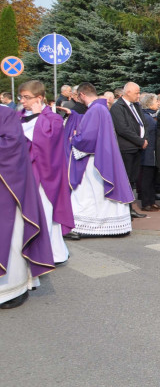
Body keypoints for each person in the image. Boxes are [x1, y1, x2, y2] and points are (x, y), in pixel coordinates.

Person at [0, 107, 54, 310]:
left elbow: (12, 146)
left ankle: (12, 289)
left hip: (6, 187)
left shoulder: (5, 114)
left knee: (8, 237)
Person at [65, 83, 135, 236]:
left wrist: (74, 139)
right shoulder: (101, 108)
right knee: (97, 194)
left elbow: (88, 138)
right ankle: (114, 226)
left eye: (78, 97)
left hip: (94, 161)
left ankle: (80, 226)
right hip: (102, 157)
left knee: (87, 193)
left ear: (82, 95)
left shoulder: (95, 110)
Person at [18, 80, 75, 263]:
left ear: (40, 98)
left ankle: (47, 254)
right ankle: (50, 252)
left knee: (45, 213)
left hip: (45, 175)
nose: (23, 101)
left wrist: (37, 117)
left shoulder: (53, 119)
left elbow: (46, 143)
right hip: (24, 173)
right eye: (21, 97)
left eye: (27, 97)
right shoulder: (19, 115)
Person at [109, 81, 149, 219]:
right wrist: (140, 140)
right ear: (128, 92)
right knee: (126, 179)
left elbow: (142, 123)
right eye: (137, 93)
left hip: (137, 147)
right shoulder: (118, 107)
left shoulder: (136, 106)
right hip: (126, 148)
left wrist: (145, 138)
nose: (139, 96)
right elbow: (123, 129)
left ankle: (130, 208)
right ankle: (125, 208)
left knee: (132, 179)